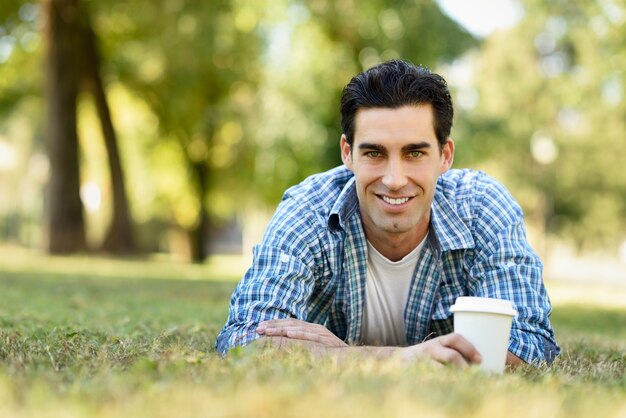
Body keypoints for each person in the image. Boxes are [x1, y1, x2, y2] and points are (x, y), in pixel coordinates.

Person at [215, 59, 559, 367]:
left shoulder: (483, 208)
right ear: (348, 154)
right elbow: (243, 340)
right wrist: (398, 359)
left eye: (415, 153)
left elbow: (530, 343)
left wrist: (339, 358)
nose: (394, 180)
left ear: (445, 156)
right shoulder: (307, 211)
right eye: (374, 153)